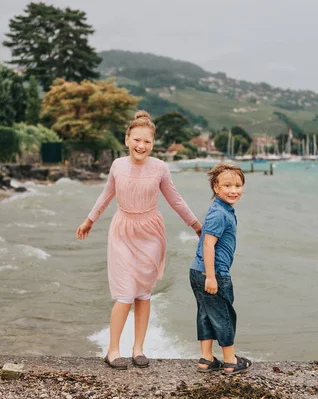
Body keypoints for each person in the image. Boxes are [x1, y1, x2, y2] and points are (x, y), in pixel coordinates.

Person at [76, 110, 202, 370]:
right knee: (124, 293)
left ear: (153, 144)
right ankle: (112, 350)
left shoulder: (159, 168)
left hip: (151, 233)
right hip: (122, 231)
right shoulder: (117, 166)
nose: (141, 145)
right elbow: (105, 196)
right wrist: (89, 220)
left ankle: (138, 349)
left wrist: (196, 225)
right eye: (136, 140)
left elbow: (175, 199)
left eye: (147, 141)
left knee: (143, 294)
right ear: (126, 139)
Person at [189, 163, 252, 375]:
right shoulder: (219, 213)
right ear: (216, 188)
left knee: (206, 313)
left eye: (238, 185)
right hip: (212, 273)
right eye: (227, 185)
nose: (233, 190)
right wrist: (211, 277)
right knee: (224, 315)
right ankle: (230, 360)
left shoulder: (221, 208)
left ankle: (206, 359)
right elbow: (208, 244)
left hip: (198, 272)